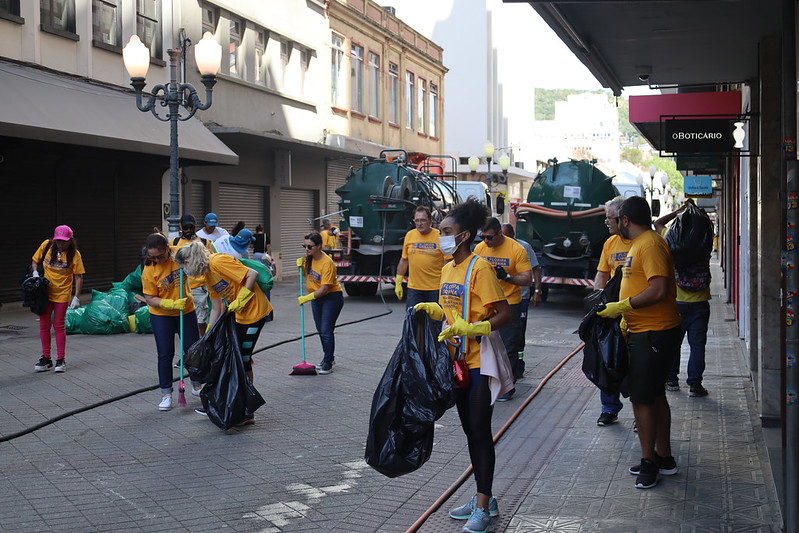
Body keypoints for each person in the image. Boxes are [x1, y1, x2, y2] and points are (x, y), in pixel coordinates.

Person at [414, 198, 512, 533]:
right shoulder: (447, 269)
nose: (441, 237)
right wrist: (435, 311)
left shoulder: (479, 268)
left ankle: (482, 507)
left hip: (477, 364)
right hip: (454, 363)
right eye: (440, 231)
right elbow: (451, 309)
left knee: (481, 432)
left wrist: (474, 328)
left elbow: (504, 314)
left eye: (446, 232)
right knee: (470, 432)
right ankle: (484, 497)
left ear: (464, 235)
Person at [597, 196, 682, 489]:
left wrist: (624, 307)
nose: (613, 223)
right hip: (642, 331)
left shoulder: (650, 244)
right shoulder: (637, 244)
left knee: (642, 399)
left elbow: (658, 289)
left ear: (625, 220)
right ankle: (663, 457)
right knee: (655, 395)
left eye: (616, 218)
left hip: (654, 332)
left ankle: (649, 462)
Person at [175, 242, 272, 424]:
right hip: (238, 314)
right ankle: (228, 401)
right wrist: (208, 336)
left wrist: (242, 298)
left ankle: (246, 408)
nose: (184, 272)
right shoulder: (208, 273)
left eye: (183, 267)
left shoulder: (218, 262)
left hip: (254, 313)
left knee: (242, 360)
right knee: (227, 357)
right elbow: (216, 307)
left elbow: (252, 274)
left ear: (188, 261)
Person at [654, 200, 712, 397]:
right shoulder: (703, 239)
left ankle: (671, 379)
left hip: (676, 301)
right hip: (700, 302)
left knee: (674, 343)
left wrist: (678, 211)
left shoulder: (671, 238)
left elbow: (658, 223)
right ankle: (695, 385)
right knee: (697, 345)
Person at [141, 233, 202, 410]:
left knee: (192, 350)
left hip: (186, 311)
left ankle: (197, 385)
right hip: (162, 315)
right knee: (165, 353)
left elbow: (198, 257)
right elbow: (149, 298)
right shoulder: (149, 270)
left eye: (161, 256)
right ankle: (166, 393)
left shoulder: (179, 255)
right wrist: (172, 303)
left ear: (168, 248)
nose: (158, 260)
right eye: (153, 257)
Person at [474, 217, 532, 401]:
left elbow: (527, 279)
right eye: (483, 237)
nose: (486, 241)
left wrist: (506, 276)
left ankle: (508, 385)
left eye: (490, 237)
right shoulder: (480, 249)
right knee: (484, 343)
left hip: (509, 303)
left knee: (509, 345)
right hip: (486, 303)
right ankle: (488, 380)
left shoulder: (517, 250)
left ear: (500, 233)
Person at [591, 196, 633, 426]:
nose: (606, 223)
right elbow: (602, 273)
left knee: (635, 364)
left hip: (636, 313)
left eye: (609, 218)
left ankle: (640, 412)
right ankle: (609, 408)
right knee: (607, 360)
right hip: (612, 312)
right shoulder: (610, 244)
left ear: (623, 219)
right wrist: (598, 297)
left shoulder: (641, 242)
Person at [31, 225, 85, 373]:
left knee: (59, 325)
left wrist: (76, 297)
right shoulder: (47, 245)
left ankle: (61, 359)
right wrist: (35, 273)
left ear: (70, 241)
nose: (61, 244)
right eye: (58, 241)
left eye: (64, 241)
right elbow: (35, 261)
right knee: (44, 325)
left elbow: (78, 277)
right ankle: (46, 358)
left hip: (62, 294)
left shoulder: (75, 255)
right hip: (45, 293)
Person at [297, 232, 344, 374]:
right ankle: (328, 357)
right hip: (316, 298)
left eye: (310, 247)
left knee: (326, 331)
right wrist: (300, 267)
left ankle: (328, 362)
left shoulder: (327, 263)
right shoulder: (309, 258)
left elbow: (325, 289)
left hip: (331, 298)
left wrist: (307, 298)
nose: (306, 249)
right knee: (320, 330)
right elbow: (308, 276)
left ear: (319, 246)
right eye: (304, 246)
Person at [500, 223, 542, 379]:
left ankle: (518, 366)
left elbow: (535, 269)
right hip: (500, 299)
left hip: (521, 298)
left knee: (517, 334)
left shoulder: (523, 248)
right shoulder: (492, 247)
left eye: (507, 237)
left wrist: (537, 291)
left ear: (513, 236)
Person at [394, 206, 450, 308]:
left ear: (430, 221)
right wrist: (398, 281)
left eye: (423, 220)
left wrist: (447, 285)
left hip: (435, 289)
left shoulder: (441, 237)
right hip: (414, 289)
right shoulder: (409, 235)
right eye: (417, 220)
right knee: (413, 320)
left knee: (435, 321)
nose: (419, 223)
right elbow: (404, 260)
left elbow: (448, 262)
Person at [170, 214, 215, 335]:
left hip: (203, 286)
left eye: (191, 227)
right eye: (186, 228)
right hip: (186, 287)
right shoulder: (174, 242)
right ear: (180, 227)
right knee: (193, 319)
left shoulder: (204, 242)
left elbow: (211, 262)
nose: (189, 230)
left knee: (203, 318)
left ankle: (204, 342)